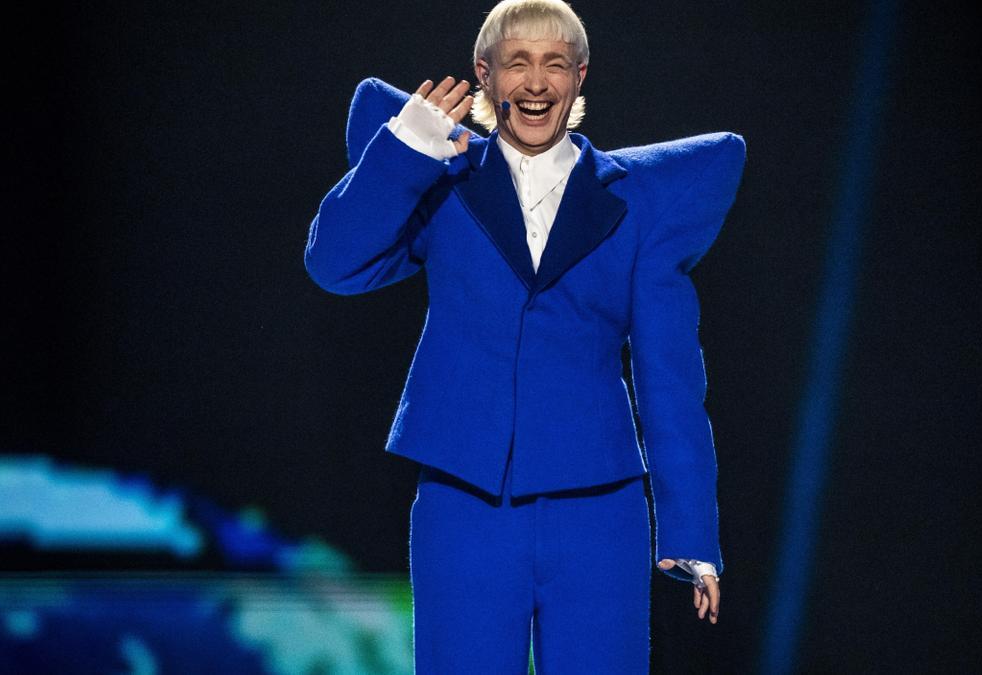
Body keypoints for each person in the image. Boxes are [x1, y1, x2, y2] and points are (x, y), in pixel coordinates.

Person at [304, 0, 745, 671]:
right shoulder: (442, 177)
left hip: (599, 509)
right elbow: (334, 265)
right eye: (518, 61)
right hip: (465, 501)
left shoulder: (635, 201)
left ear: (579, 77)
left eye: (554, 63)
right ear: (485, 75)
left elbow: (670, 376)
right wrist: (404, 149)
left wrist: (691, 532)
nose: (536, 81)